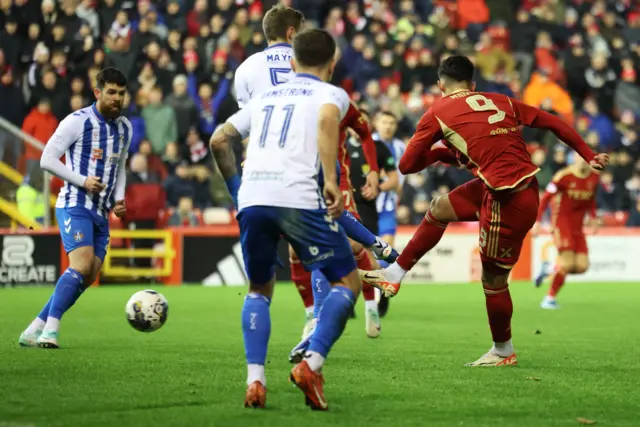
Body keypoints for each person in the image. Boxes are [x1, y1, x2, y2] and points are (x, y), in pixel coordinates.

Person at [360, 55, 608, 367]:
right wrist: (588, 154)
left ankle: (503, 350)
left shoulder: (437, 111)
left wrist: (439, 151)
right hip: (516, 188)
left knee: (493, 281)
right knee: (439, 207)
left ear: (440, 85)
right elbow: (552, 121)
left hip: (507, 200)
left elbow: (407, 165)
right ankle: (395, 274)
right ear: (473, 85)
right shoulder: (500, 100)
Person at [218, 3, 395, 339]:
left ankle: (260, 370)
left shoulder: (244, 70)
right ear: (291, 35)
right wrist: (332, 175)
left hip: (261, 171)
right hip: (311, 163)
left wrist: (238, 185)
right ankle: (319, 337)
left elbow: (229, 134)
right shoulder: (320, 84)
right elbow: (338, 121)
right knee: (329, 246)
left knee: (265, 282)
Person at [210, 28, 362, 410]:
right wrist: (330, 180)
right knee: (348, 281)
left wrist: (237, 190)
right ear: (332, 63)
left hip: (254, 197)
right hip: (296, 195)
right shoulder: (332, 94)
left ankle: (255, 381)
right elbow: (328, 122)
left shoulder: (263, 98)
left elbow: (218, 140)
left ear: (292, 64)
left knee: (259, 289)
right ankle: (311, 365)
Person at [18, 67, 131, 349]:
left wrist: (119, 198)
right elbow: (47, 159)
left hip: (102, 212)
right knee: (80, 265)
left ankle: (35, 327)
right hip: (75, 204)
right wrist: (82, 180)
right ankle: (51, 331)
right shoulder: (77, 122)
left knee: (89, 274)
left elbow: (121, 167)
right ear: (98, 92)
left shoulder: (125, 128)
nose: (117, 98)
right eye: (111, 92)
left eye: (121, 93)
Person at [533, 156, 600, 309]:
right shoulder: (563, 176)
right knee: (567, 263)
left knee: (582, 267)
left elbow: (592, 200)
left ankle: (549, 268)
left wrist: (594, 218)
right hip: (561, 223)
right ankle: (549, 298)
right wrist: (537, 221)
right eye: (581, 157)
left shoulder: (594, 177)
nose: (584, 161)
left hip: (578, 227)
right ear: (574, 158)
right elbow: (545, 199)